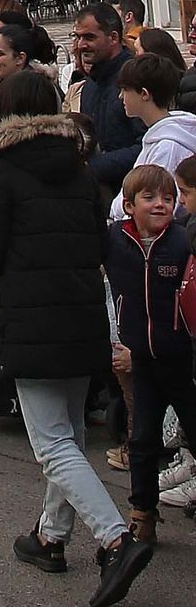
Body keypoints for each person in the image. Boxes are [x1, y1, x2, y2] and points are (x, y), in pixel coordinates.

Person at [0, 68, 149, 607]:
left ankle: (116, 539)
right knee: (66, 431)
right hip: (81, 308)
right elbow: (100, 242)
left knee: (51, 443)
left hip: (32, 313)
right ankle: (51, 536)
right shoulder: (78, 167)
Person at [105, 162, 196, 571]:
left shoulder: (181, 243)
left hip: (182, 358)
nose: (161, 204)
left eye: (169, 198)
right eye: (150, 198)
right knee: (141, 440)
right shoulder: (115, 242)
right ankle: (143, 514)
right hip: (141, 358)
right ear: (128, 205)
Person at [71, 5, 145, 190]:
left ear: (113, 37)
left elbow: (149, 144)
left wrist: (95, 166)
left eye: (89, 37)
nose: (81, 45)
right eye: (77, 37)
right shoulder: (90, 85)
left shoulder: (137, 78)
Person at [112, 53, 196, 195]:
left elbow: (160, 200)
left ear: (144, 94)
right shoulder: (161, 136)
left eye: (125, 89)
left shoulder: (167, 147)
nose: (120, 96)